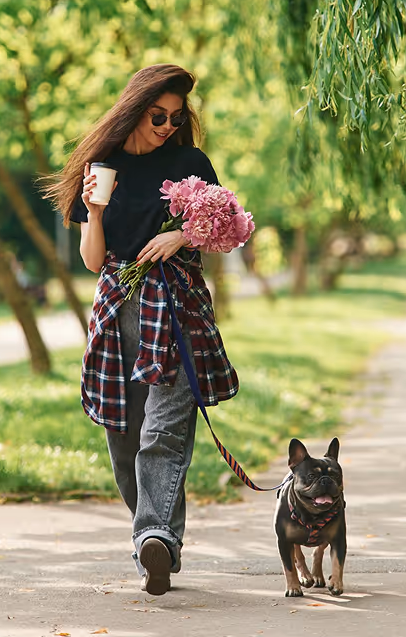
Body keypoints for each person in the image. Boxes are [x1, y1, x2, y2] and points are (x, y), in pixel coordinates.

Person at [42, 64, 239, 595]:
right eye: (159, 116)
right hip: (117, 305)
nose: (168, 126)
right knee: (123, 435)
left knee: (163, 429)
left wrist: (181, 238)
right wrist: (93, 211)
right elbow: (92, 259)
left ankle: (153, 536)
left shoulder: (192, 162)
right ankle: (157, 542)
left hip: (175, 306)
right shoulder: (102, 166)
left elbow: (219, 228)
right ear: (135, 108)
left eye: (177, 118)